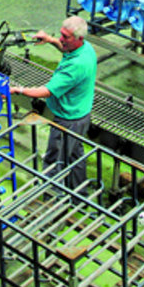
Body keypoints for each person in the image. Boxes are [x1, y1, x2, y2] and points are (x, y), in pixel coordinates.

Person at [9, 15, 97, 194]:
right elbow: (66, 50)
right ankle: (80, 195)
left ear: (79, 38)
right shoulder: (85, 49)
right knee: (74, 155)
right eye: (61, 35)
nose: (61, 39)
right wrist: (50, 40)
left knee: (53, 161)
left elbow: (47, 91)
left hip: (68, 120)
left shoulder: (76, 66)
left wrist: (18, 90)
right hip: (81, 114)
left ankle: (52, 205)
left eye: (66, 37)